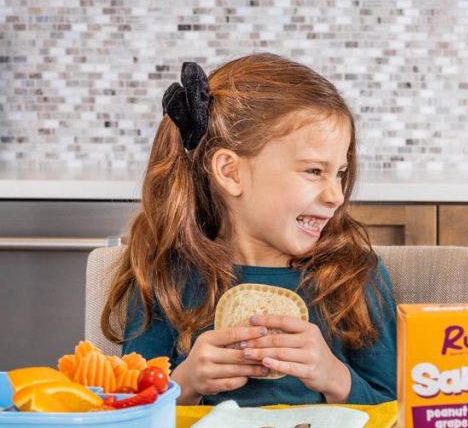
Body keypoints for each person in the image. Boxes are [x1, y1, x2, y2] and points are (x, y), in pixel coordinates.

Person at [102, 53, 396, 406]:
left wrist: (335, 377)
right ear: (230, 172)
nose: (336, 195)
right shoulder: (167, 276)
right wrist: (187, 381)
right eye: (314, 171)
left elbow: (394, 409)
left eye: (340, 173)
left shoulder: (353, 276)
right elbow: (128, 408)